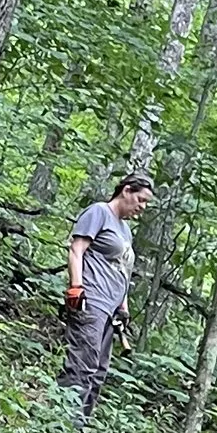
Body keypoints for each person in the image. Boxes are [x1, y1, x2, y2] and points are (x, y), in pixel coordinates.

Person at [63, 169, 152, 412]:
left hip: (111, 310)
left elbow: (122, 269)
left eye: (146, 202)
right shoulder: (99, 212)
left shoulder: (126, 230)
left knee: (99, 371)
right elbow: (76, 249)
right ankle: (63, 421)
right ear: (126, 191)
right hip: (91, 300)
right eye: (141, 199)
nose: (142, 206)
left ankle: (79, 428)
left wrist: (123, 307)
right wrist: (76, 287)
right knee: (83, 363)